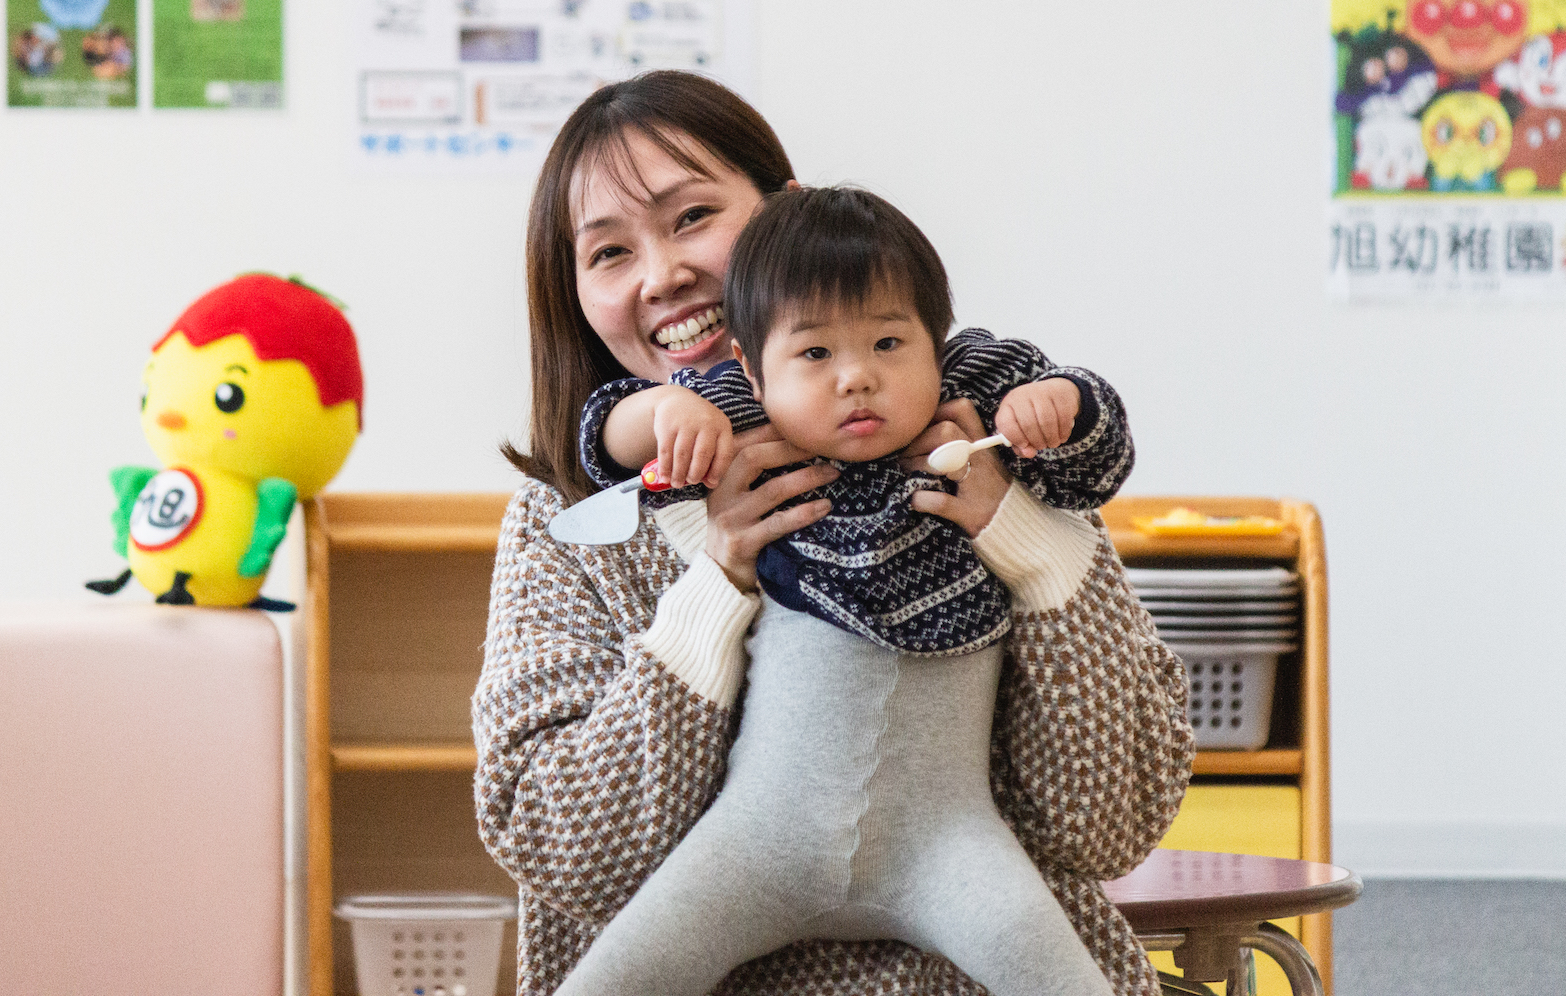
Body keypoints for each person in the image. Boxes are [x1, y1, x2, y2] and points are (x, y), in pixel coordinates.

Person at [472, 70, 1194, 996]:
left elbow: (1108, 824)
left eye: (692, 217)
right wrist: (718, 583)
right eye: (610, 253)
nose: (662, 275)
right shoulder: (570, 522)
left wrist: (1025, 539)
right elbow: (572, 855)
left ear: (787, 215)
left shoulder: (973, 439)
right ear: (574, 294)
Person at [551, 186, 1127, 996]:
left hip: (953, 845)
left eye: (891, 343)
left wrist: (1059, 402)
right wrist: (664, 413)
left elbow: (1098, 447)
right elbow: (605, 437)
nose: (857, 378)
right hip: (754, 844)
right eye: (816, 356)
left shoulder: (976, 411)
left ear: (938, 345)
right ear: (753, 367)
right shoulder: (738, 419)